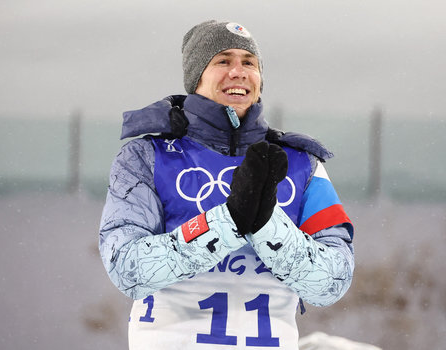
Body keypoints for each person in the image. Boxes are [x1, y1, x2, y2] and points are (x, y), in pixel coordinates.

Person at [99, 20, 354, 349]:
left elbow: (333, 281)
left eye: (249, 62)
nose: (239, 72)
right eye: (223, 60)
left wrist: (266, 225)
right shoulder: (146, 156)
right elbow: (126, 267)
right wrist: (226, 221)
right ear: (197, 76)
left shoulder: (302, 164)